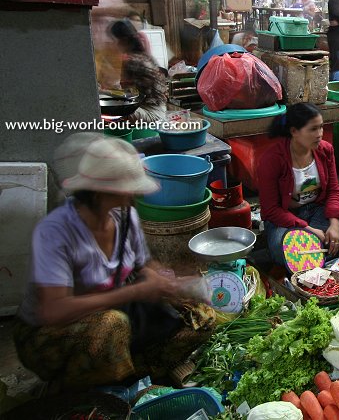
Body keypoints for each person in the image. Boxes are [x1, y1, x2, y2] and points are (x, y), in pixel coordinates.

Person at [14, 135, 215, 392]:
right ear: (99, 192)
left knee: (201, 314)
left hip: (117, 308)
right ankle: (86, 389)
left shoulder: (125, 215)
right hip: (49, 333)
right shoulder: (56, 232)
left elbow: (143, 265)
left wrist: (172, 284)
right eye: (126, 188)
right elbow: (54, 310)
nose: (132, 194)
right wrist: (134, 291)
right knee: (111, 325)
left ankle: (134, 373)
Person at [255, 103, 339, 269]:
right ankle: (321, 255)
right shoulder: (272, 159)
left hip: (318, 212)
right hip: (286, 219)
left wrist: (334, 225)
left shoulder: (325, 150)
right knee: (279, 249)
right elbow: (271, 210)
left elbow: (334, 190)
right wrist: (310, 230)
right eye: (313, 129)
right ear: (294, 132)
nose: (319, 134)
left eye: (321, 127)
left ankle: (309, 257)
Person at [110, 19, 167, 124]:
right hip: (160, 109)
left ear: (124, 40)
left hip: (152, 114)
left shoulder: (131, 61)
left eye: (116, 40)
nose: (115, 44)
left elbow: (126, 93)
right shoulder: (144, 56)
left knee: (108, 107)